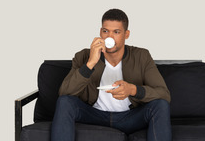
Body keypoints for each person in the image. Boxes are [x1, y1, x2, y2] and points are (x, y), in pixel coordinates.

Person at [51, 9, 172, 141]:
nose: (109, 37)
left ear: (126, 34)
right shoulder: (84, 56)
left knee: (160, 105)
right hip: (95, 115)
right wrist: (91, 63)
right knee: (65, 102)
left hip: (129, 117)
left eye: (116, 32)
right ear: (100, 32)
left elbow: (163, 94)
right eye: (105, 31)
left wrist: (133, 90)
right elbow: (64, 93)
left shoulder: (141, 56)